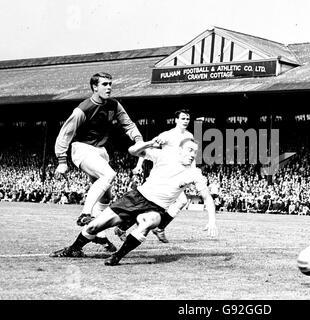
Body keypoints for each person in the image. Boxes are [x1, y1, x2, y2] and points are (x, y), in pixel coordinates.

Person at [49, 138, 218, 266]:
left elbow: (208, 198)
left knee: (148, 222)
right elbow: (133, 150)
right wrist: (149, 143)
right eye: (189, 150)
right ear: (180, 151)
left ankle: (117, 257)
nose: (192, 155)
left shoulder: (195, 174)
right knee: (94, 227)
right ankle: (74, 249)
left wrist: (212, 221)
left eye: (194, 152)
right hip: (135, 198)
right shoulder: (164, 156)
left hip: (155, 208)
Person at [54, 72, 144, 252]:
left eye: (110, 84)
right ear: (95, 87)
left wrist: (138, 139)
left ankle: (97, 234)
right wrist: (62, 160)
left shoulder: (114, 105)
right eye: (104, 84)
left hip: (101, 152)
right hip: (82, 149)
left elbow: (128, 123)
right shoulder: (83, 108)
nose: (109, 87)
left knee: (106, 197)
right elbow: (65, 133)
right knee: (109, 174)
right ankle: (85, 214)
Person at [115, 109, 193, 243]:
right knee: (151, 204)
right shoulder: (167, 135)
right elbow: (148, 149)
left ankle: (156, 227)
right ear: (176, 120)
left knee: (179, 201)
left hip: (176, 174)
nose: (185, 121)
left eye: (187, 119)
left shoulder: (189, 136)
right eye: (183, 118)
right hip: (163, 175)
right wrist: (139, 165)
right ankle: (152, 227)